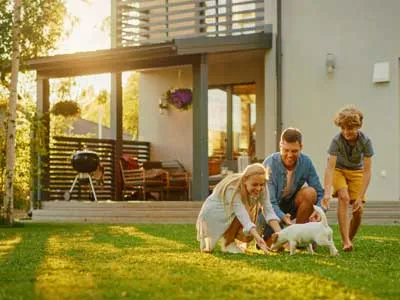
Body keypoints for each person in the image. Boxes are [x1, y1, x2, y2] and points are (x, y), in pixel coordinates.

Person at [257, 127, 324, 245]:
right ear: (280, 146)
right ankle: (285, 237)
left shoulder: (306, 162)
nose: (289, 155)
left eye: (294, 151)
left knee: (310, 192)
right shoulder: (269, 164)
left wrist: (319, 210)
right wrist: (283, 216)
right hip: (269, 210)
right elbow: (270, 202)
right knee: (273, 244)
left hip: (291, 205)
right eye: (286, 150)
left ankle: (300, 238)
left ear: (301, 148)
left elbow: (319, 192)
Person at [196, 163, 281, 254]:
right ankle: (228, 243)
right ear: (245, 180)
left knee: (248, 231)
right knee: (244, 216)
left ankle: (230, 241)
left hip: (232, 213)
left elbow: (268, 210)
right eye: (254, 185)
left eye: (262, 184)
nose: (259, 188)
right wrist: (258, 238)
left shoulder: (262, 186)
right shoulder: (232, 188)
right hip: (213, 214)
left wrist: (282, 234)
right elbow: (242, 215)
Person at [322, 106, 373, 252]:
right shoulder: (336, 141)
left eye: (349, 129)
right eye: (343, 128)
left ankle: (349, 239)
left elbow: (367, 171)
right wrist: (326, 193)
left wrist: (361, 196)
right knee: (343, 198)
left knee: (358, 210)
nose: (346, 132)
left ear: (358, 126)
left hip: (357, 171)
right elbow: (330, 168)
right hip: (339, 170)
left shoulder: (366, 141)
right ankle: (345, 241)